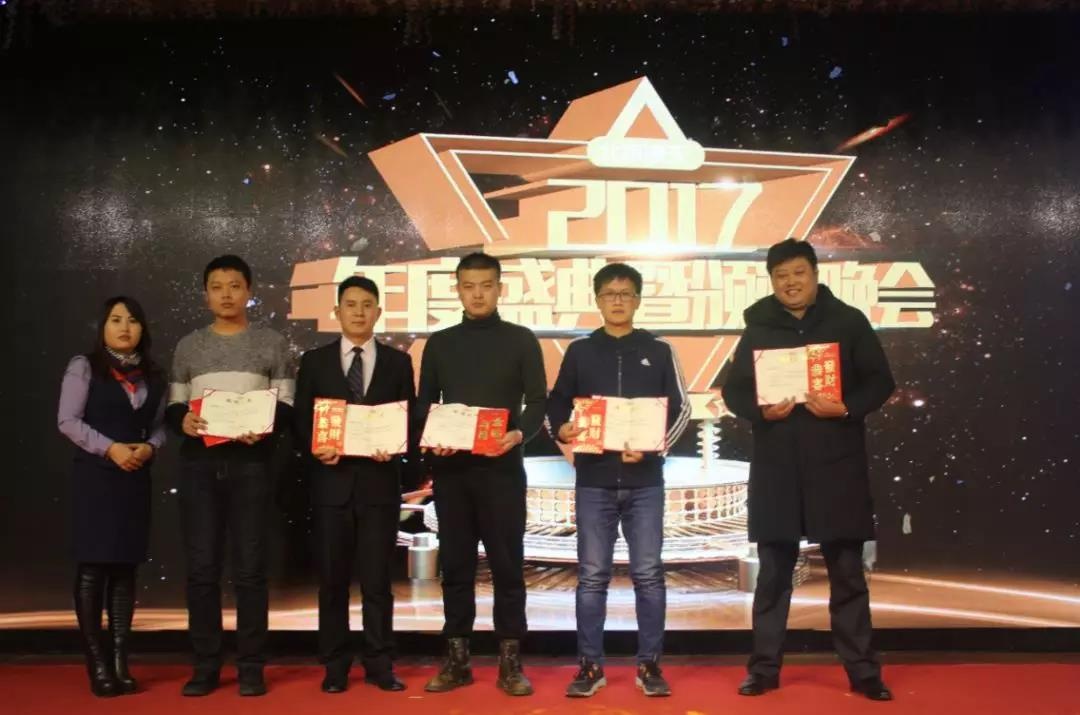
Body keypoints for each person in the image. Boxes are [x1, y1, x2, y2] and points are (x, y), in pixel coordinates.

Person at [720, 238, 896, 702]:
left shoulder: (847, 321)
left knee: (848, 575)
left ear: (815, 274)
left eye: (798, 273)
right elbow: (734, 391)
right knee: (773, 577)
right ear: (771, 281)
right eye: (780, 276)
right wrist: (761, 411)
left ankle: (864, 673)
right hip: (777, 470)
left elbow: (881, 380)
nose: (790, 283)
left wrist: (846, 408)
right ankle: (763, 670)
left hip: (837, 468)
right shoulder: (758, 327)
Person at [546, 263, 690, 698]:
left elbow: (682, 408)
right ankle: (590, 666)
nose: (618, 301)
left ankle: (650, 666)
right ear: (597, 300)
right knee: (592, 577)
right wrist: (563, 429)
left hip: (645, 481)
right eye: (610, 294)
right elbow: (556, 404)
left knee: (649, 575)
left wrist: (653, 447)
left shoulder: (659, 350)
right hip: (593, 479)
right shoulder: (581, 351)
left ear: (638, 299)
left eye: (626, 294)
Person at [418, 252, 547, 697]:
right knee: (456, 567)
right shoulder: (440, 343)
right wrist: (432, 436)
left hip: (502, 471)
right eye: (469, 286)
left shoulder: (521, 340)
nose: (477, 294)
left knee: (508, 567)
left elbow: (539, 402)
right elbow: (424, 403)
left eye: (486, 285)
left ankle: (511, 664)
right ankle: (457, 661)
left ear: (499, 288)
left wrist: (518, 434)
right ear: (457, 289)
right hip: (452, 473)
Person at [166, 255, 295, 697]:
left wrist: (264, 426)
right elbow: (175, 405)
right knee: (202, 569)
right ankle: (205, 666)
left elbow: (287, 405)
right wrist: (182, 421)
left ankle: (251, 667)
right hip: (200, 467)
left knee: (251, 570)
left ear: (249, 292)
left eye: (235, 286)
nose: (226, 294)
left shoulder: (272, 344)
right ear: (206, 295)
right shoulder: (188, 346)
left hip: (251, 465)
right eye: (217, 287)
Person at [293, 276, 414, 694]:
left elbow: (407, 418)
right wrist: (316, 449)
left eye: (367, 305)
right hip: (332, 485)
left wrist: (393, 447)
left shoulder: (398, 363)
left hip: (379, 485)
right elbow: (301, 421)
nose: (359, 312)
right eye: (350, 304)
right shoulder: (315, 361)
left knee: (378, 581)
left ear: (378, 312)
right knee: (332, 581)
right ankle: (335, 664)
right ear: (337, 311)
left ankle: (380, 662)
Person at [57, 296, 167, 697]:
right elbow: (67, 421)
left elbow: (160, 427)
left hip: (135, 478)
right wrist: (111, 449)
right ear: (103, 327)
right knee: (93, 569)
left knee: (125, 570)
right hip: (96, 478)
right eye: (116, 319)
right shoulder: (84, 367)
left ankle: (121, 661)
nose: (124, 327)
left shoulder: (155, 375)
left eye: (132, 320)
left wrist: (150, 448)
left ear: (143, 329)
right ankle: (98, 664)